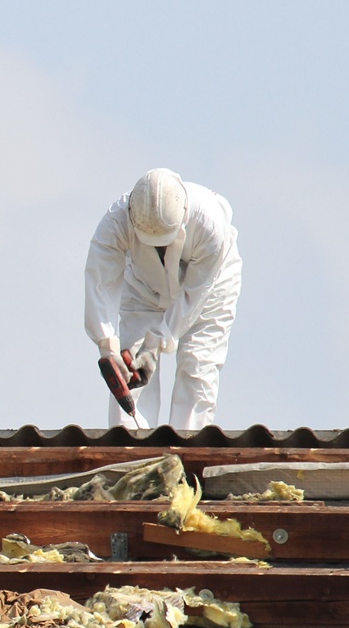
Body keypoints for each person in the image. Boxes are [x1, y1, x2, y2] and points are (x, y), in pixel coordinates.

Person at [84, 168, 241, 431]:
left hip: (211, 289)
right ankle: (129, 449)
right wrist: (107, 348)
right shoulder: (116, 220)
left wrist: (158, 341)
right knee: (129, 362)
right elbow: (99, 281)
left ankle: (188, 449)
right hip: (143, 287)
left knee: (196, 364)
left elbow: (194, 295)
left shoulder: (210, 224)